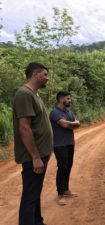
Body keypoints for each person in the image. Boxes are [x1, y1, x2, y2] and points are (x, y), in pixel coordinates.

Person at [12, 62, 53, 225]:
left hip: (41, 154)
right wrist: (35, 157)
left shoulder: (34, 94)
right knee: (30, 195)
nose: (47, 79)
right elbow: (24, 127)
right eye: (45, 75)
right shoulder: (24, 94)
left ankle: (38, 221)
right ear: (36, 74)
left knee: (35, 192)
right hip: (33, 156)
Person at [50, 91, 80, 205]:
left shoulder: (69, 112)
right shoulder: (54, 112)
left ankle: (66, 190)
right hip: (59, 145)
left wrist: (71, 123)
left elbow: (78, 124)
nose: (70, 100)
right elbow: (66, 125)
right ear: (61, 99)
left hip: (70, 143)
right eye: (68, 98)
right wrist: (72, 123)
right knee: (62, 167)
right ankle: (60, 194)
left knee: (68, 166)